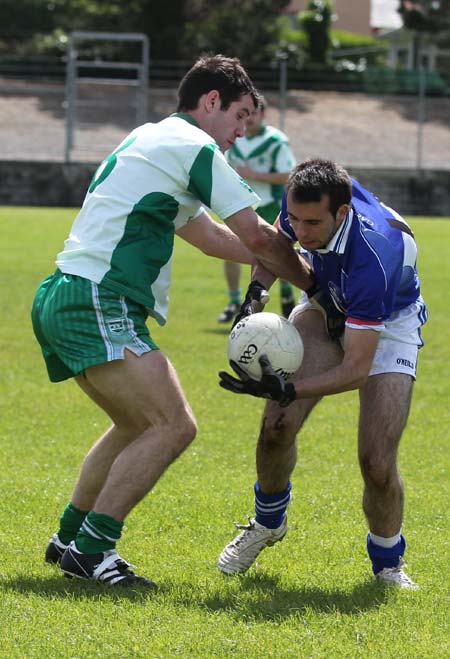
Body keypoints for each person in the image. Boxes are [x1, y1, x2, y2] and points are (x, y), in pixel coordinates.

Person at [31, 54, 315, 588]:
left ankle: (70, 537)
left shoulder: (153, 139)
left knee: (137, 424)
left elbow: (213, 239)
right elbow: (255, 236)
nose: (239, 134)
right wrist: (319, 285)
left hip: (67, 294)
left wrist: (272, 262)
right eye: (240, 118)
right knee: (173, 425)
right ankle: (91, 551)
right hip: (98, 297)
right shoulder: (195, 147)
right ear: (211, 101)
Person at [218, 158, 427, 589]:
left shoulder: (376, 256)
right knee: (276, 424)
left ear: (342, 213)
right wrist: (254, 300)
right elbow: (275, 248)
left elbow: (355, 369)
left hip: (386, 324)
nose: (301, 231)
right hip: (327, 301)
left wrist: (286, 386)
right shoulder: (303, 204)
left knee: (377, 462)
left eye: (312, 223)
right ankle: (267, 523)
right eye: (294, 218)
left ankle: (388, 563)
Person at [217, 95, 297, 323]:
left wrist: (255, 175)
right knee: (228, 250)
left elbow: (289, 175)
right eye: (246, 113)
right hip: (239, 205)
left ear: (264, 115)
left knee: (279, 254)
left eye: (255, 113)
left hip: (270, 204)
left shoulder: (276, 141)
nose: (250, 119)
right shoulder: (234, 137)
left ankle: (286, 298)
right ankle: (234, 301)